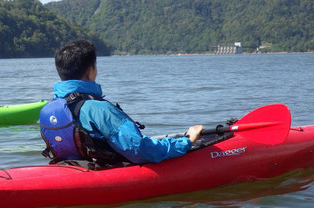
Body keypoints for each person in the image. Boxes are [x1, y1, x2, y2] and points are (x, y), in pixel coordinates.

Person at [40, 39, 204, 165]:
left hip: (73, 168)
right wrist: (187, 141)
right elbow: (139, 150)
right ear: (90, 70)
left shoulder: (50, 109)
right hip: (106, 173)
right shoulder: (99, 109)